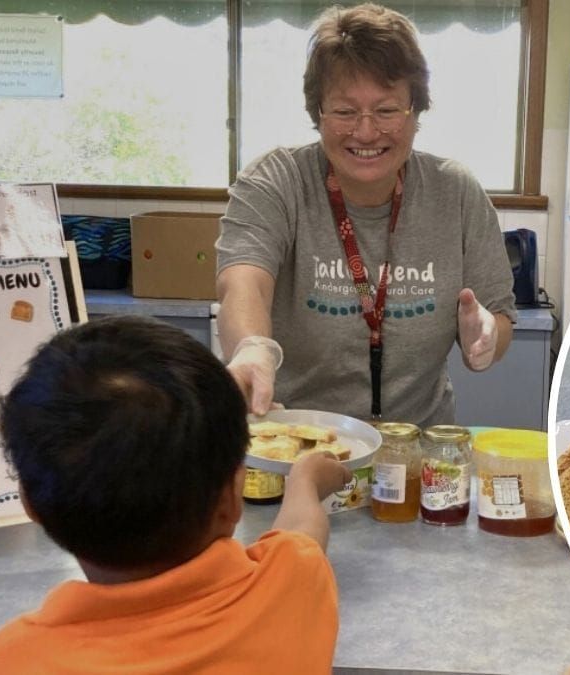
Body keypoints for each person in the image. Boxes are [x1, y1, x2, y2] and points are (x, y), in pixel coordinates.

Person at [0, 315, 353, 674]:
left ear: (30, 503)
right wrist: (304, 481)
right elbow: (303, 532)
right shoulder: (292, 589)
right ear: (232, 497)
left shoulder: (18, 659)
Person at [216, 2, 517, 427]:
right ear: (317, 114)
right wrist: (252, 347)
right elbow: (243, 281)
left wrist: (486, 336)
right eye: (344, 111)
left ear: (416, 112)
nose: (366, 131)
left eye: (387, 110)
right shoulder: (277, 180)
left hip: (415, 451)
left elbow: (499, 313)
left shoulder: (456, 192)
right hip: (297, 442)